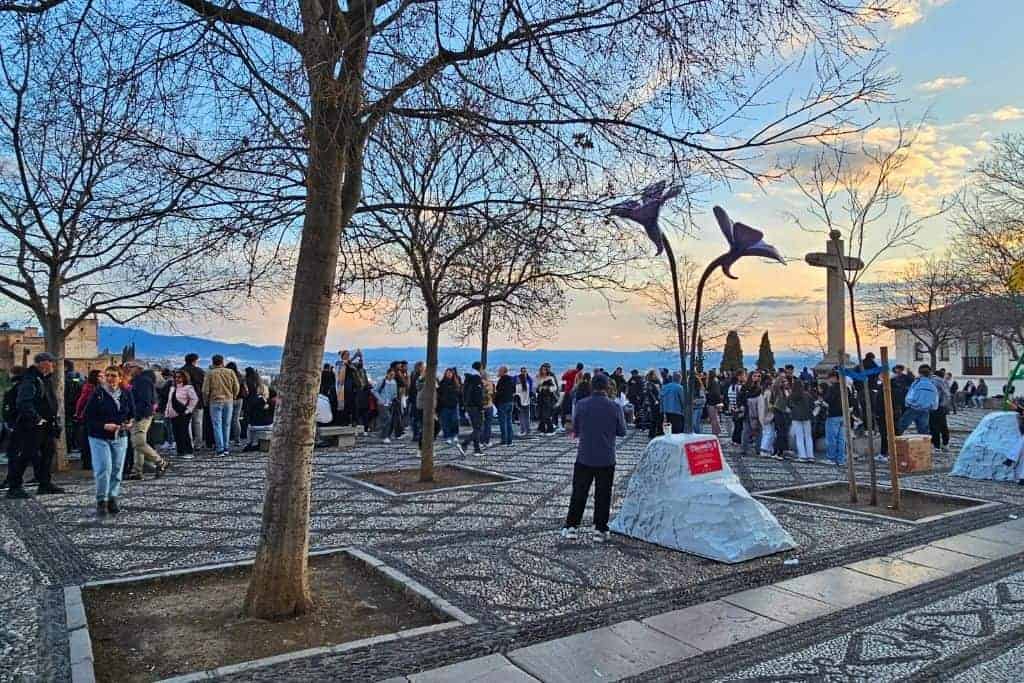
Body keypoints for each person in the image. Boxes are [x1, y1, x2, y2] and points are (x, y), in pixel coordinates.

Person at [561, 374, 626, 542]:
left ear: (592, 386)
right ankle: (600, 529)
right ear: (606, 387)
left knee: (579, 493)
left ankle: (572, 527)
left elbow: (575, 429)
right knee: (603, 494)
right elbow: (622, 431)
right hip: (606, 456)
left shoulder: (582, 405)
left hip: (585, 455)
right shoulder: (615, 407)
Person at [6, 353, 65, 499]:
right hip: (31, 426)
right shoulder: (30, 380)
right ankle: (14, 486)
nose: (53, 365)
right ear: (43, 364)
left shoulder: (44, 379)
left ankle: (44, 484)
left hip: (45, 426)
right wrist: (37, 419)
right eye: (51, 362)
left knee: (47, 453)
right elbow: (23, 403)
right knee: (25, 455)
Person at [84, 367, 134, 515]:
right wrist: (104, 425)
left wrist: (129, 423)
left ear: (120, 378)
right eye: (107, 376)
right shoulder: (98, 394)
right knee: (104, 468)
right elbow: (87, 417)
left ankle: (113, 497)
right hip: (99, 436)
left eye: (113, 376)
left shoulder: (126, 393)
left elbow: (132, 412)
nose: (110, 379)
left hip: (120, 435)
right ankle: (101, 500)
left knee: (117, 469)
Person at [128, 365, 169, 479]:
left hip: (142, 415)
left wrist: (136, 415)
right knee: (137, 444)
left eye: (130, 367)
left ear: (138, 369)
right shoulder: (139, 381)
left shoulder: (143, 381)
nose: (128, 369)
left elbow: (145, 400)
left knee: (139, 443)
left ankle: (160, 462)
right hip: (140, 415)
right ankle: (137, 471)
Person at [202, 354, 240, 457]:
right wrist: (234, 396)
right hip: (228, 400)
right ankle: (226, 448)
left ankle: (220, 449)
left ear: (212, 362)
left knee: (217, 425)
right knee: (226, 425)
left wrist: (206, 401)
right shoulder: (230, 372)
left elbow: (205, 390)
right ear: (222, 361)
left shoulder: (210, 373)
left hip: (215, 401)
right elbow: (236, 386)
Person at [896, 364, 939, 439]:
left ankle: (894, 444)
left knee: (901, 426)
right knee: (923, 431)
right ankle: (924, 447)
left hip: (913, 409)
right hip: (925, 410)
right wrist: (931, 407)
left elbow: (909, 396)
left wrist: (908, 404)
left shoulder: (916, 383)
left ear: (920, 373)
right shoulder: (932, 385)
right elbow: (935, 401)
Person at [164, 370, 199, 458]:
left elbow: (194, 399)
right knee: (176, 432)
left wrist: (188, 410)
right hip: (173, 413)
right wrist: (167, 412)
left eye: (179, 377)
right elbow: (169, 401)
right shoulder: (173, 388)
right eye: (176, 377)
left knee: (184, 432)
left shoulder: (188, 387)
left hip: (183, 413)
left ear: (184, 377)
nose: (177, 379)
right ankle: (180, 451)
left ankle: (188, 451)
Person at [1, 365, 25, 490]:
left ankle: (13, 481)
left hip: (16, 425)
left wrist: (10, 423)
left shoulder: (14, 387)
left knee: (15, 454)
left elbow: (10, 406)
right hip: (18, 424)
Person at [74, 369, 101, 471]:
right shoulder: (90, 388)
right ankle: (87, 462)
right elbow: (81, 401)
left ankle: (88, 462)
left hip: (91, 417)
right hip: (89, 417)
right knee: (88, 440)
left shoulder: (92, 387)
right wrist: (78, 413)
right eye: (100, 376)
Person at [458, 362, 485, 456]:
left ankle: (477, 449)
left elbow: (464, 393)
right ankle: (464, 443)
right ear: (480, 368)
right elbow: (478, 395)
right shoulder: (476, 379)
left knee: (476, 428)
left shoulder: (467, 378)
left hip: (469, 406)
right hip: (475, 407)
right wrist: (481, 407)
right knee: (479, 428)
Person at [181, 353, 206, 451]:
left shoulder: (181, 371)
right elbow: (204, 387)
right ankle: (198, 444)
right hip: (198, 399)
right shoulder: (200, 371)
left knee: (187, 423)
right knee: (198, 422)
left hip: (184, 400)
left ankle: (189, 443)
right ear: (195, 360)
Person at [787, 379, 815, 462]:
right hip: (807, 417)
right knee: (808, 437)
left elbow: (789, 406)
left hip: (796, 417)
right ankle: (810, 455)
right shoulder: (808, 395)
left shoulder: (791, 396)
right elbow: (812, 406)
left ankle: (802, 455)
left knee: (799, 437)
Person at [823, 370, 846, 466]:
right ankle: (841, 459)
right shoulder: (845, 387)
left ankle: (831, 458)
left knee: (831, 438)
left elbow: (828, 400)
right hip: (843, 415)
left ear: (834, 378)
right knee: (841, 439)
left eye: (829, 377)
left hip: (833, 415)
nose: (828, 379)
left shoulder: (832, 388)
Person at [372, 367, 401, 443]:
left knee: (386, 419)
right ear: (387, 374)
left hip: (390, 403)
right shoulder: (382, 381)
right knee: (387, 418)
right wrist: (381, 400)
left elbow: (394, 393)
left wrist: (394, 399)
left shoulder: (394, 382)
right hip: (382, 403)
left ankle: (383, 435)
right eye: (391, 375)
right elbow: (374, 391)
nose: (392, 376)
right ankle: (385, 436)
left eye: (393, 375)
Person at [558, 362, 584, 432]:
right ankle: (574, 425)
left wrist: (567, 372)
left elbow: (563, 377)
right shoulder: (581, 374)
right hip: (577, 393)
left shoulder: (571, 372)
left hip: (568, 392)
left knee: (565, 409)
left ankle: (564, 425)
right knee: (574, 409)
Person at [437, 368, 461, 442]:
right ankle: (447, 436)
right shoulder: (442, 383)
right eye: (447, 373)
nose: (449, 374)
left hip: (454, 405)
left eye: (450, 373)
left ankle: (455, 435)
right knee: (445, 422)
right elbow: (439, 394)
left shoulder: (456, 383)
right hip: (444, 406)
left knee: (455, 421)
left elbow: (459, 394)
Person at [930, 368, 952, 451]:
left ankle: (936, 445)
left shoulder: (930, 380)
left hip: (932, 407)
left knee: (933, 426)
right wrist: (944, 405)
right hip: (940, 407)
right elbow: (947, 395)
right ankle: (945, 444)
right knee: (943, 426)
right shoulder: (942, 381)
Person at [494, 366, 515, 446]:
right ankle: (510, 440)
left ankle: (504, 440)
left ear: (503, 372)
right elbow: (514, 390)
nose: (498, 372)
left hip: (503, 403)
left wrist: (496, 401)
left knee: (502, 422)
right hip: (510, 402)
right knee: (509, 422)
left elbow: (499, 391)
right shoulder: (511, 379)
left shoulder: (502, 380)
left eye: (499, 371)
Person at [536, 365, 559, 434]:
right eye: (542, 369)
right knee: (541, 413)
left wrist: (548, 388)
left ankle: (550, 429)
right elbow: (536, 387)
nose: (543, 371)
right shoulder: (538, 377)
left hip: (548, 397)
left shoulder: (550, 377)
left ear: (547, 370)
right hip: (540, 397)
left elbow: (555, 387)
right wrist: (540, 388)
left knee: (546, 414)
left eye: (545, 370)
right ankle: (542, 429)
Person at [644, 370, 663, 438]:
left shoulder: (659, 382)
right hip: (654, 403)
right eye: (654, 374)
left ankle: (659, 432)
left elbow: (661, 391)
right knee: (654, 418)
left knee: (660, 418)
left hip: (659, 402)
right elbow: (650, 393)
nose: (655, 376)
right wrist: (655, 400)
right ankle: (652, 433)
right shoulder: (649, 383)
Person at [514, 367, 533, 436]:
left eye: (524, 371)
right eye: (522, 371)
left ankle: (523, 430)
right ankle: (527, 430)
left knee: (522, 416)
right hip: (526, 401)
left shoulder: (520, 383)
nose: (523, 372)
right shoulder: (528, 381)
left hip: (521, 401)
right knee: (526, 416)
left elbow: (516, 393)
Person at [480, 368, 495, 449]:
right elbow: (492, 393)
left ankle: (481, 442)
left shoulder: (478, 383)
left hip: (481, 406)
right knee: (488, 425)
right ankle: (487, 441)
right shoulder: (490, 383)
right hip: (489, 405)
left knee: (481, 425)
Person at [705, 369, 723, 436]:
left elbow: (714, 393)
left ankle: (715, 432)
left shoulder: (713, 382)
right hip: (716, 402)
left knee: (713, 418)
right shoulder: (716, 380)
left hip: (712, 402)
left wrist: (708, 393)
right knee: (715, 417)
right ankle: (717, 430)